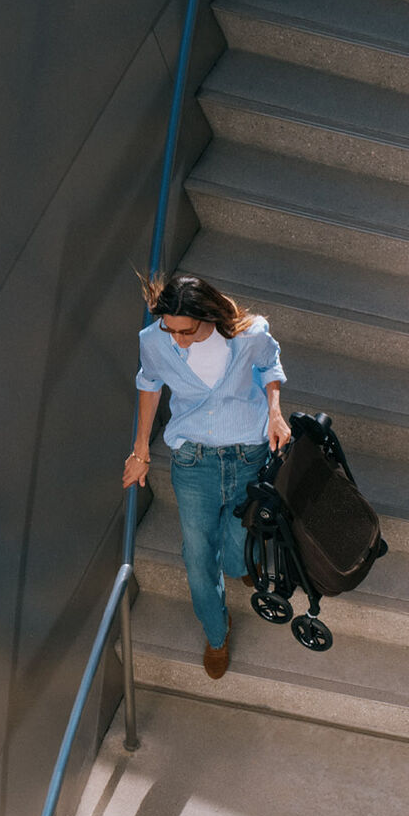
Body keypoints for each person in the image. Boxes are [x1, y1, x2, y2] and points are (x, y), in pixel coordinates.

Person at [122, 273, 292, 679]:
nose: (177, 339)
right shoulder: (154, 340)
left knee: (239, 534)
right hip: (193, 463)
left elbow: (270, 364)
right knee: (198, 557)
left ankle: (238, 566)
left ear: (208, 317)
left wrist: (275, 412)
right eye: (171, 329)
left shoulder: (250, 335)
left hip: (249, 454)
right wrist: (141, 450)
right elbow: (149, 385)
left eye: (187, 331)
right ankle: (217, 633)